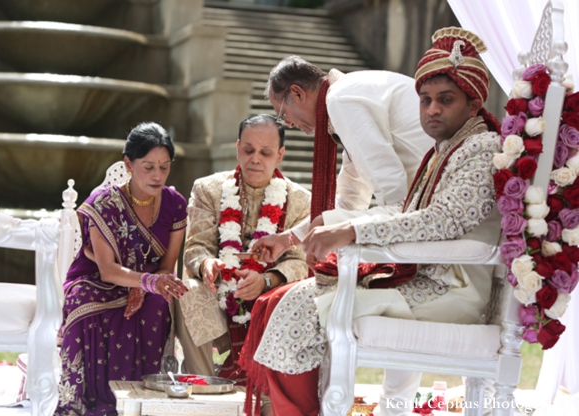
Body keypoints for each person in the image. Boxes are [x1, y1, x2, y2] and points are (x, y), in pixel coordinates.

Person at [240, 27, 503, 416]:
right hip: (426, 259)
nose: (431, 110)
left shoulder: (474, 146)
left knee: (296, 305)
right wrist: (295, 237)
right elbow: (354, 195)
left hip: (446, 274)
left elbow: (406, 203)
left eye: (445, 100)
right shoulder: (442, 147)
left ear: (472, 101)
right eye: (425, 100)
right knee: (297, 301)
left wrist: (353, 231)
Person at [173, 114, 311, 414]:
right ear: (237, 149)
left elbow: (300, 264)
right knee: (189, 290)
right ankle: (205, 392)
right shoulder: (207, 189)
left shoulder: (301, 201)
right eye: (248, 150)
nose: (256, 160)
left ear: (281, 154)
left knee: (291, 298)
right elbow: (195, 247)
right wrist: (207, 264)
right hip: (219, 298)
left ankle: (265, 395)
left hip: (268, 307)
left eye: (266, 152)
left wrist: (268, 281)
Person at [55, 122, 189, 415]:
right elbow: (105, 269)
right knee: (84, 303)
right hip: (97, 281)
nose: (157, 176)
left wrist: (144, 286)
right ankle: (91, 402)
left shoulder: (175, 204)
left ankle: (145, 402)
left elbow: (167, 265)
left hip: (149, 282)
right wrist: (143, 282)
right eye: (148, 166)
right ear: (128, 164)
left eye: (164, 167)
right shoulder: (104, 203)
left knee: (156, 304)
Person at [253, 55, 434, 257]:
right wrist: (287, 239)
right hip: (427, 203)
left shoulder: (341, 99)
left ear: (297, 93)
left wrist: (338, 228)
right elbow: (351, 199)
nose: (288, 124)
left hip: (438, 211)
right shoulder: (347, 94)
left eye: (282, 114)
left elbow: (395, 200)